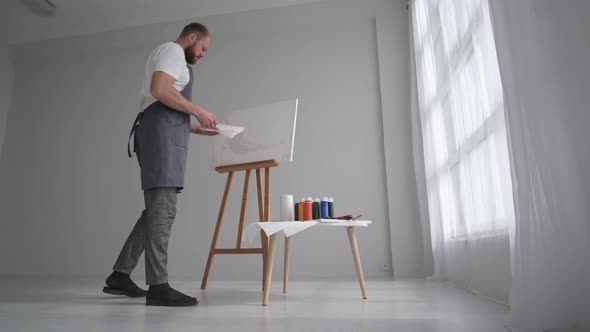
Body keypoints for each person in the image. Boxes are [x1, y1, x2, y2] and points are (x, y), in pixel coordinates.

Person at [103, 23, 218, 307]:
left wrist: (191, 127)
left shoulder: (173, 56)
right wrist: (199, 110)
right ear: (192, 37)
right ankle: (158, 285)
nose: (203, 55)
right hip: (160, 135)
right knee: (162, 212)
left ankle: (120, 275)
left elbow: (166, 101)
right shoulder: (173, 50)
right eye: (203, 48)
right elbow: (159, 90)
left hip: (162, 131)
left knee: (155, 211)